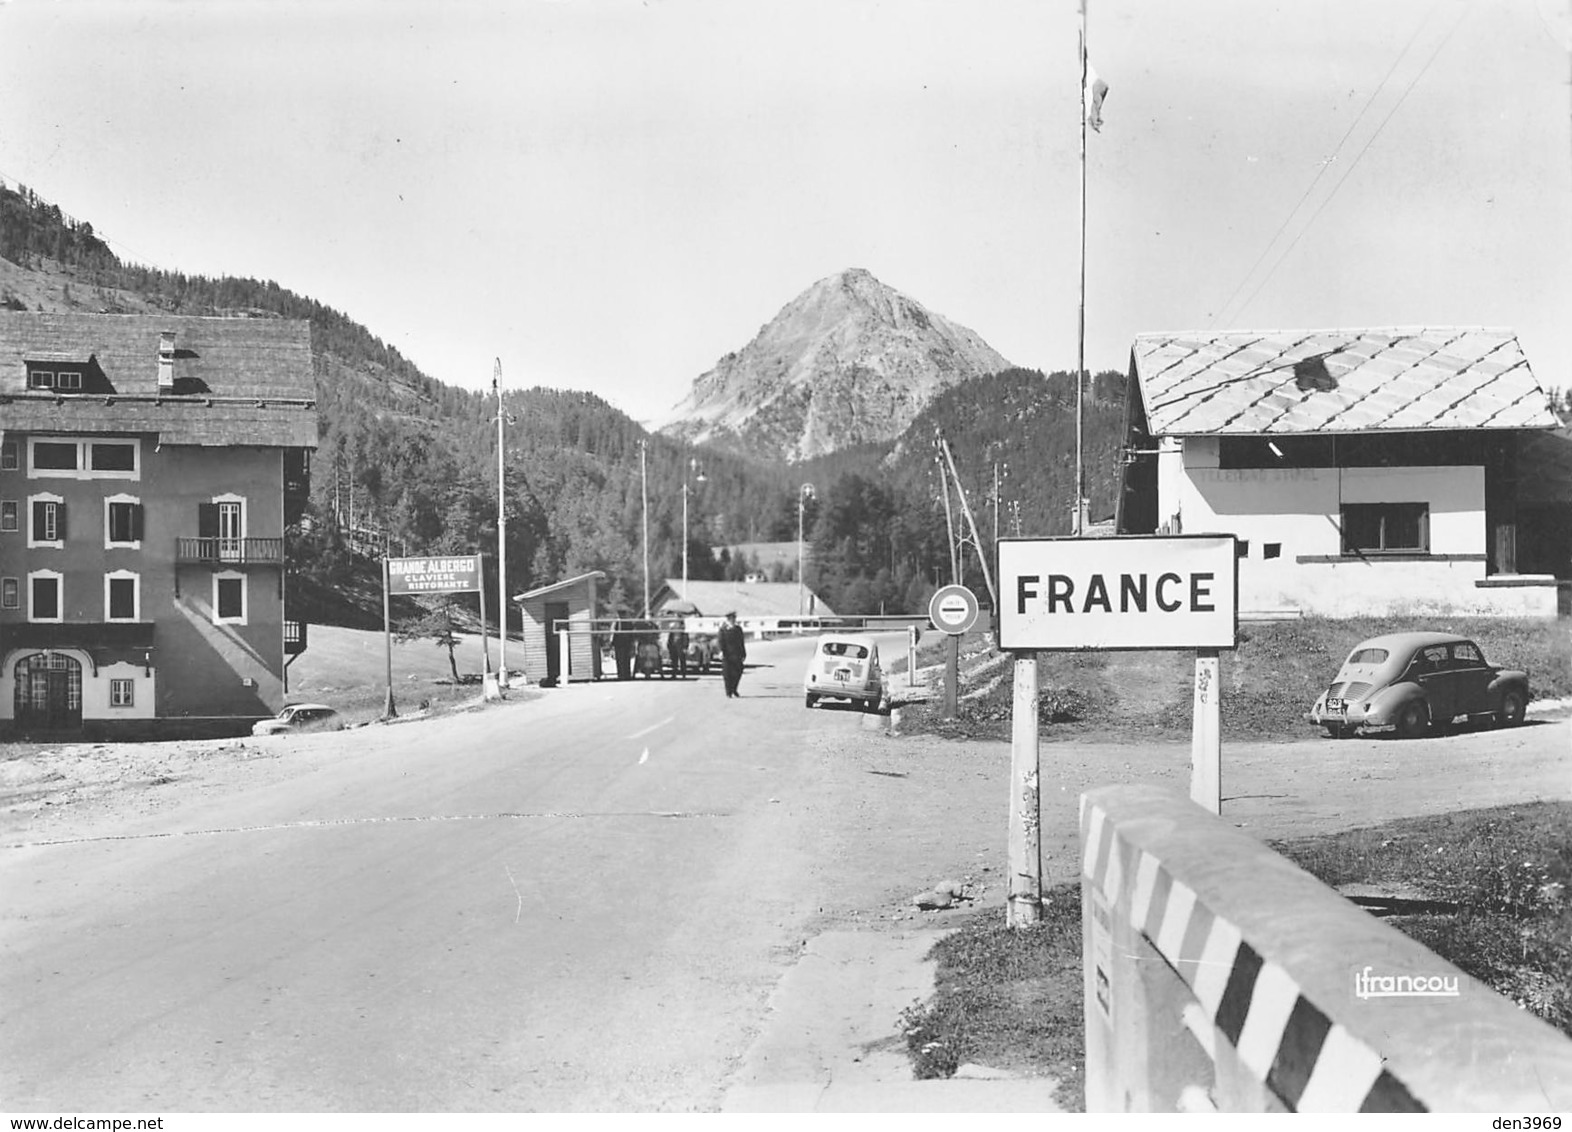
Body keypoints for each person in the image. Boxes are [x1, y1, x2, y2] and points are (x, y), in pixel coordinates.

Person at [718, 611, 746, 698]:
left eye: (734, 619)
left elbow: (741, 642)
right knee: (727, 674)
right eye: (730, 619)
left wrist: (744, 653)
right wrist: (721, 651)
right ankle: (728, 692)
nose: (732, 621)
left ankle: (734, 689)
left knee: (738, 672)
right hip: (727, 654)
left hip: (737, 653)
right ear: (728, 620)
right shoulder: (723, 630)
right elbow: (720, 641)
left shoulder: (738, 629)